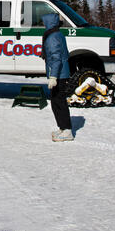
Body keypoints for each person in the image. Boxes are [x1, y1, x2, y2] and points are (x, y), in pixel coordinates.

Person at [41, 13, 74, 142]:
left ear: (49, 23)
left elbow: (56, 58)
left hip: (59, 75)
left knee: (59, 102)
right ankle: (62, 128)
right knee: (56, 102)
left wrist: (53, 76)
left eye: (44, 22)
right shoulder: (57, 34)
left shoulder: (52, 37)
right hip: (61, 74)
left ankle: (67, 130)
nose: (43, 25)